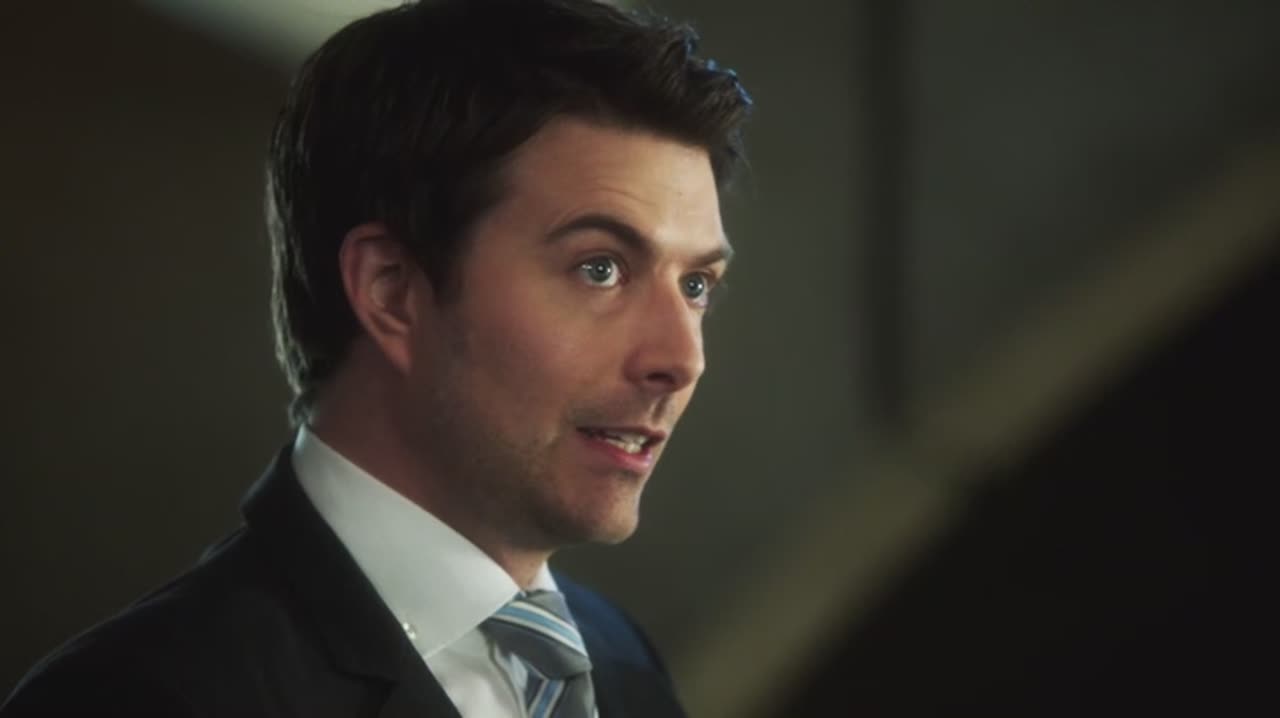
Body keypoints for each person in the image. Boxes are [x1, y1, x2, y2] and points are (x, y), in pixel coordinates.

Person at [1, 0, 750, 716]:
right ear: (391, 290)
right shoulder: (139, 699)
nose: (682, 359)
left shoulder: (623, 663)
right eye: (600, 268)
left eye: (695, 285)